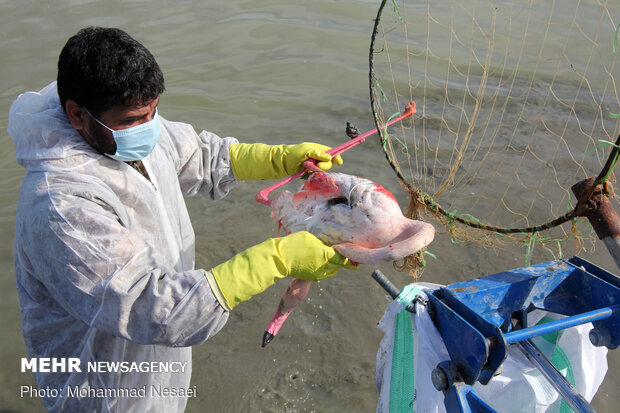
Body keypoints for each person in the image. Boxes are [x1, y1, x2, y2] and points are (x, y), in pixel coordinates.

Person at [8, 26, 355, 412]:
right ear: (77, 114)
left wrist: (278, 158)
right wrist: (274, 260)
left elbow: (197, 155)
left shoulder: (121, 127)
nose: (148, 127)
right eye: (133, 119)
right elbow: (154, 308)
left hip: (157, 372)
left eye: (153, 112)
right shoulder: (62, 207)